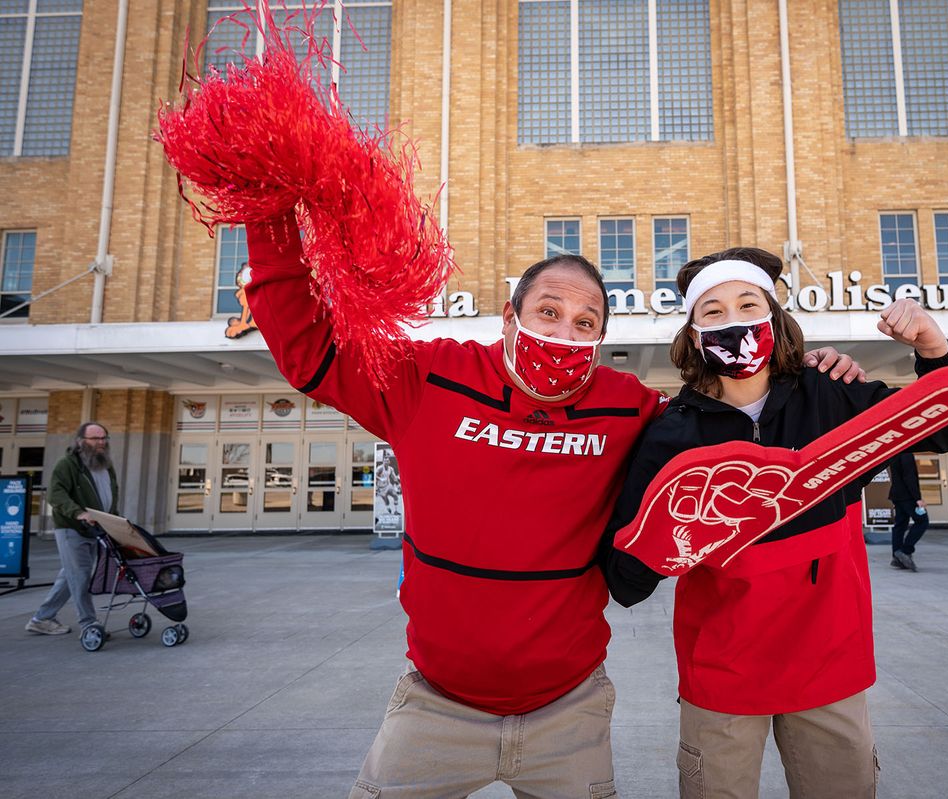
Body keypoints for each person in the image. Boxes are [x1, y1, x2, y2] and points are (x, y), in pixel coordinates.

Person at [243, 213, 865, 799]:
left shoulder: (631, 409)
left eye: (585, 323)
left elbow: (724, 421)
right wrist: (268, 215)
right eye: (548, 312)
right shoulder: (429, 378)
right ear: (510, 320)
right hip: (435, 706)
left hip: (569, 712)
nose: (564, 334)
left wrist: (806, 377)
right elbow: (310, 349)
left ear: (600, 339)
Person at [602, 248, 948, 799]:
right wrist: (675, 534)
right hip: (723, 673)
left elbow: (947, 428)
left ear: (775, 318)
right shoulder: (673, 433)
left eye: (748, 304)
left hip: (830, 662)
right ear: (694, 335)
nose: (733, 322)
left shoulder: (830, 392)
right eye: (713, 312)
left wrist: (932, 347)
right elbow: (628, 578)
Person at [25, 422, 119, 637]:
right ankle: (89, 624)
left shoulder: (106, 465)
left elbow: (111, 495)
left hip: (96, 529)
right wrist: (79, 513)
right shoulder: (67, 465)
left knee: (70, 575)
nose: (101, 442)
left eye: (104, 438)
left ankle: (42, 618)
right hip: (72, 528)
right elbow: (56, 495)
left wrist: (115, 521)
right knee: (81, 576)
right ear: (80, 441)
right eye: (95, 438)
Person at [887, 452, 928, 571]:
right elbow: (909, 476)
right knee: (922, 521)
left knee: (900, 525)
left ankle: (897, 557)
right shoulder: (906, 453)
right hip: (907, 496)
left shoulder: (895, 452)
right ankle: (905, 551)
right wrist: (917, 498)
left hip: (897, 494)